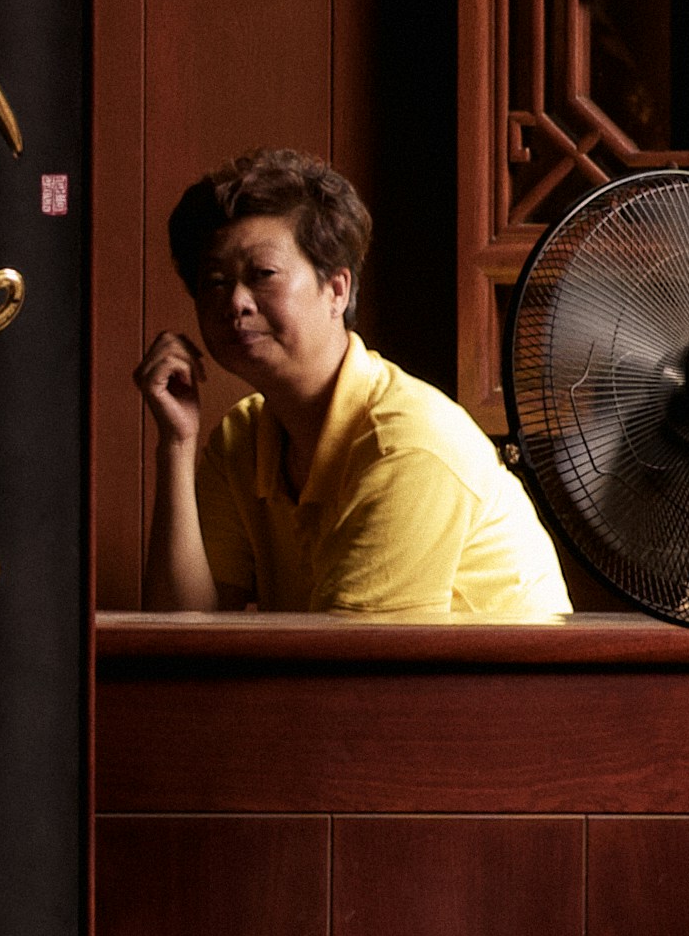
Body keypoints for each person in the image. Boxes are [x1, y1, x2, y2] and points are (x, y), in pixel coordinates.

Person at [135, 146, 572, 619]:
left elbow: (350, 679)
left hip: (502, 693)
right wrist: (177, 444)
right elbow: (180, 638)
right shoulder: (239, 440)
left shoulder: (406, 444)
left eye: (262, 275)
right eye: (215, 282)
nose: (236, 302)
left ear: (337, 290)